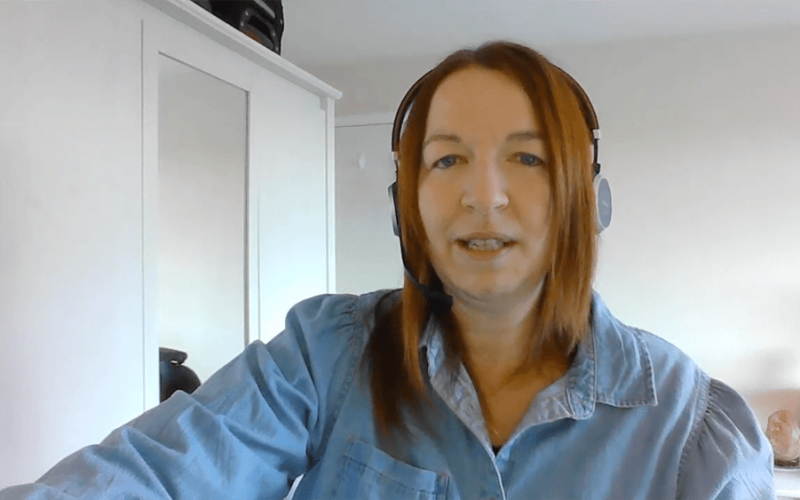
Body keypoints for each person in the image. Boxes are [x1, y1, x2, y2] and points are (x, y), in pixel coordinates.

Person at [0, 40, 774, 500]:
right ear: (409, 208)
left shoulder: (687, 425)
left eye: (527, 158)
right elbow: (158, 476)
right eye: (447, 160)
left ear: (587, 200)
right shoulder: (327, 354)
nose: (484, 194)